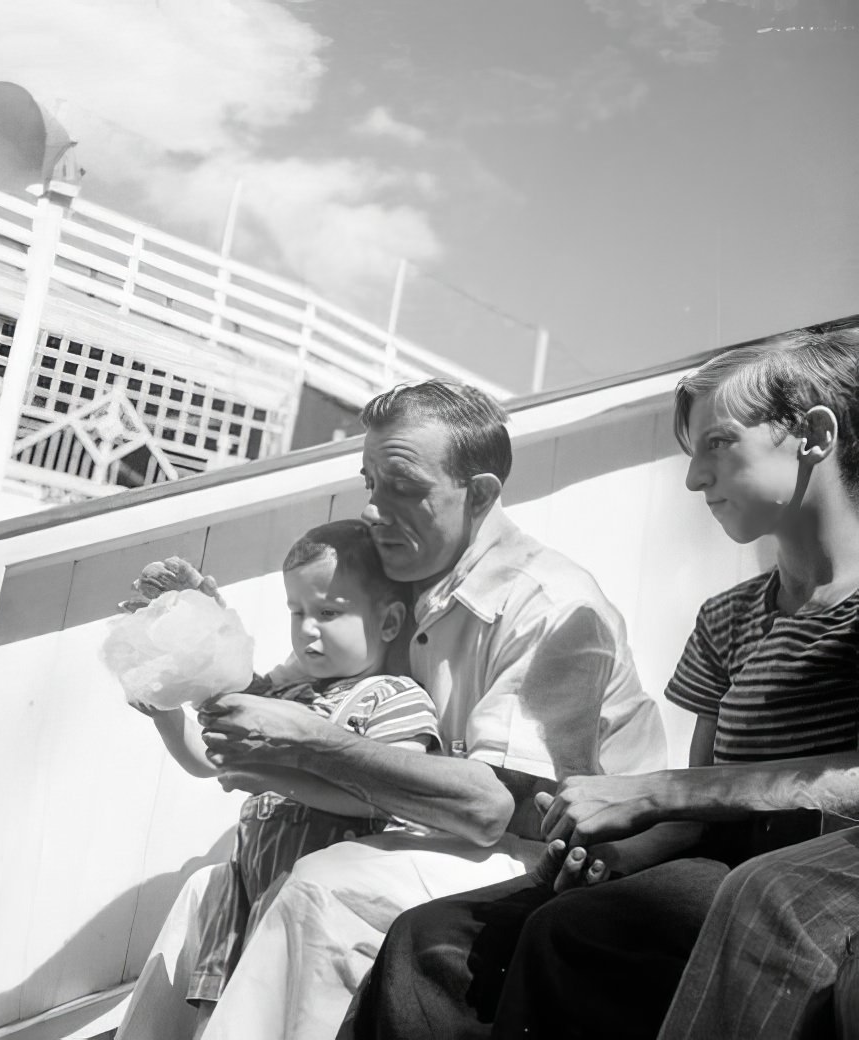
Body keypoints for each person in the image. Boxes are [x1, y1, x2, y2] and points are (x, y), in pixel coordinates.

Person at [115, 380, 666, 1040]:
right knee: (211, 888)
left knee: (326, 884)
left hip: (558, 857)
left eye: (401, 484)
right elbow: (282, 700)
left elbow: (497, 807)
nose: (375, 508)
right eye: (369, 482)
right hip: (452, 828)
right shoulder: (396, 583)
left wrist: (310, 743)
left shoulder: (550, 603)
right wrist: (204, 634)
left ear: (482, 495)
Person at [350, 329, 859, 1040]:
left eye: (719, 443)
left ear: (813, 434)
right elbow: (703, 800)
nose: (693, 479)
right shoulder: (730, 617)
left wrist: (655, 792)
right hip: (719, 857)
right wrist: (617, 853)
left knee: (572, 938)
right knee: (430, 940)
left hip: (813, 871)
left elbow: (753, 789)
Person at [146, 520, 441, 1036]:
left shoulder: (394, 697)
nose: (307, 628)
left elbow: (383, 798)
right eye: (297, 612)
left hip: (319, 914)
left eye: (328, 612)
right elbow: (209, 762)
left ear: (390, 621)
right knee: (215, 1025)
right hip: (249, 896)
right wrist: (167, 718)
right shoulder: (284, 699)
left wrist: (274, 776)